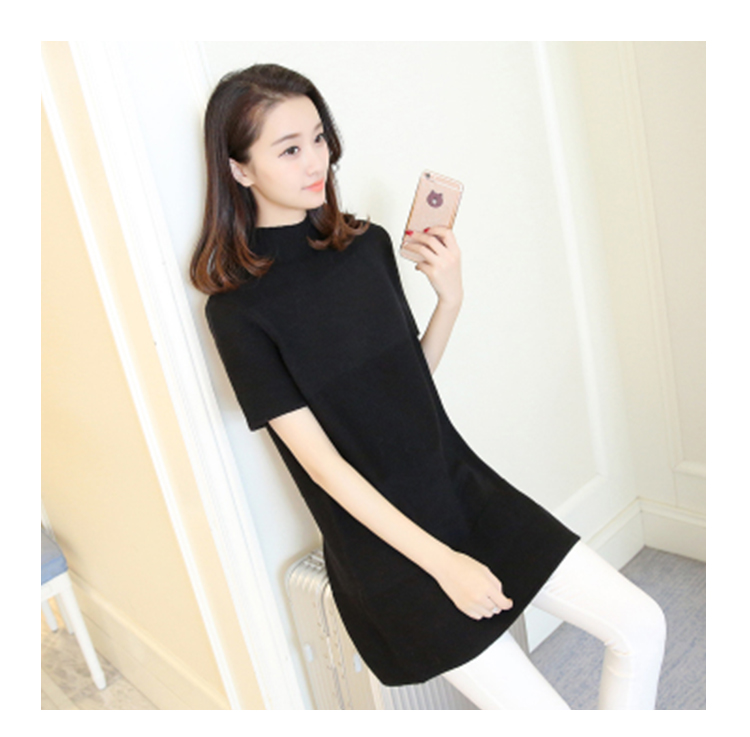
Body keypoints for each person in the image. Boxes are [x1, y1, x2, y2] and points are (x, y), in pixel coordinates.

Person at [190, 63, 667, 710]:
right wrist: (444, 563)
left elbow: (409, 385)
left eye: (319, 138)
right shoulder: (238, 311)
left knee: (641, 624)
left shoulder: (367, 246)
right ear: (240, 169)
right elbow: (324, 468)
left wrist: (450, 299)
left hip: (462, 490)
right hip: (388, 549)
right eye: (290, 148)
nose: (316, 161)